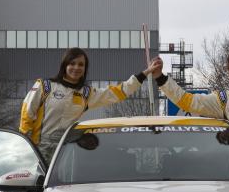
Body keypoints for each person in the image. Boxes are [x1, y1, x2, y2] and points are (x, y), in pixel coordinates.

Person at [20, 47, 160, 160]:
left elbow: (118, 92)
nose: (76, 67)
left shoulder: (86, 93)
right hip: (38, 150)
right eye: (72, 63)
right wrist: (26, 146)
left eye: (81, 64)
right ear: (65, 65)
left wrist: (145, 73)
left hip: (65, 151)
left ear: (85, 69)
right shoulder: (45, 85)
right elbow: (27, 114)